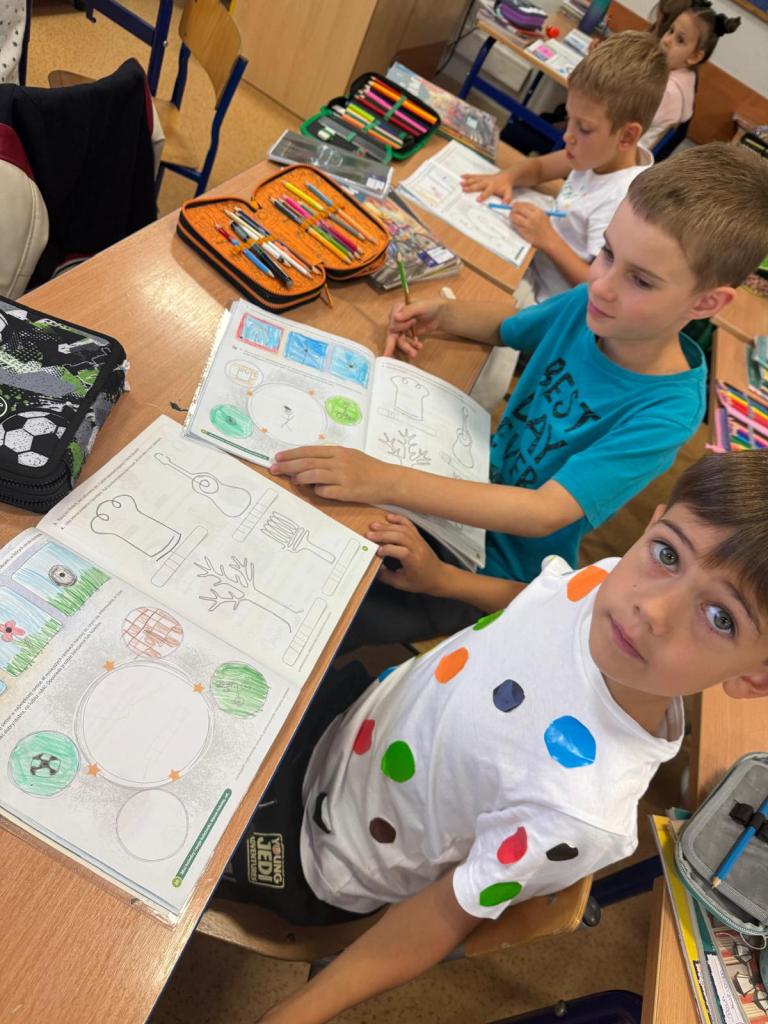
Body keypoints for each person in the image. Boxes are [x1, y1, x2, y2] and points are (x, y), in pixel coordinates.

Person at [224, 450, 768, 1024]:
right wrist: (444, 581)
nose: (652, 609)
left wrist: (297, 1013)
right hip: (344, 720)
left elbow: (446, 913)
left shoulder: (578, 813)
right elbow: (547, 603)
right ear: (653, 526)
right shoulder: (611, 579)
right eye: (667, 553)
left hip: (325, 852)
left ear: (756, 679)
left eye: (721, 618)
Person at [269, 143, 768, 647]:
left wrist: (385, 482)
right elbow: (510, 327)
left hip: (483, 570)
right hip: (456, 492)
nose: (601, 284)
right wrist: (443, 316)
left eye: (640, 280)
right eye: (607, 253)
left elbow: (543, 512)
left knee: (307, 599)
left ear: (707, 302)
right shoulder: (591, 305)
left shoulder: (667, 412)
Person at [461, 30, 667, 408]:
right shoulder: (595, 155)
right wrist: (507, 177)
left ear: (627, 137)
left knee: (485, 322)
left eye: (583, 128)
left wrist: (548, 239)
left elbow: (597, 287)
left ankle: (475, 405)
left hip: (553, 305)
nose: (568, 136)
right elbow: (540, 167)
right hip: (529, 261)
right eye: (569, 119)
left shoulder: (623, 200)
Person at [642, 1, 741, 150]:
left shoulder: (669, 91)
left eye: (680, 40)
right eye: (670, 30)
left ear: (694, 57)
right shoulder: (683, 79)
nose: (667, 40)